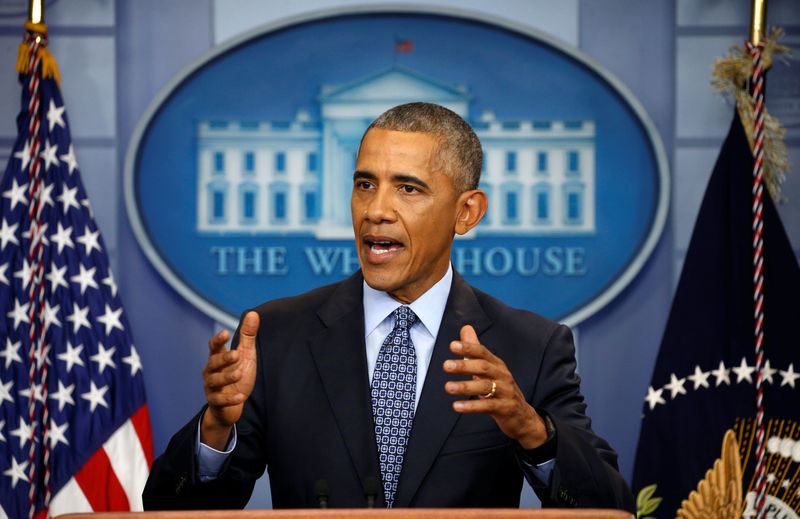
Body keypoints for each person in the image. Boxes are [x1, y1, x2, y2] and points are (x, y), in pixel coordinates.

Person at [143, 102, 635, 511]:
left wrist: (532, 430)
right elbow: (169, 511)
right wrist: (215, 429)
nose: (376, 209)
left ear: (466, 212)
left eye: (408, 188)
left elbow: (608, 506)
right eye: (364, 184)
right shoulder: (276, 334)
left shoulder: (530, 346)